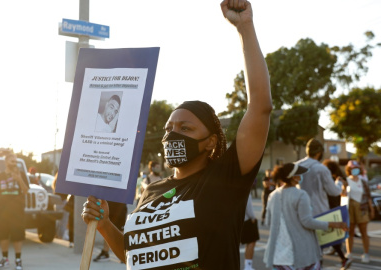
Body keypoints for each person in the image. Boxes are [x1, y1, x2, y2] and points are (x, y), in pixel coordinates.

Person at [81, 1, 273, 268]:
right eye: (169, 129)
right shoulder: (151, 190)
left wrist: (245, 28)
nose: (173, 135)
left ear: (211, 142)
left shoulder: (224, 179)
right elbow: (133, 256)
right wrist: (104, 225)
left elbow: (260, 107)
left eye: (186, 129)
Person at [263, 163, 348, 269]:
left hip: (279, 252)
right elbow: (307, 222)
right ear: (294, 178)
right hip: (300, 250)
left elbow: (268, 221)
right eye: (299, 174)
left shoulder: (273, 195)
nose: (301, 177)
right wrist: (334, 224)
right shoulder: (300, 195)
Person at [0, 153, 29, 270]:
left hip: (16, 210)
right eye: (11, 161)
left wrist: (18, 179)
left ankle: (18, 260)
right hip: (2, 211)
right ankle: (5, 259)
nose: (14, 163)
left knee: (17, 236)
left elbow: (26, 191)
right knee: (3, 236)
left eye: (15, 161)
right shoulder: (0, 176)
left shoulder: (21, 174)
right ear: (6, 162)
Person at [297, 138, 344, 216]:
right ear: (319, 153)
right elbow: (334, 191)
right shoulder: (321, 169)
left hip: (300, 212)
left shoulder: (296, 166)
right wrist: (339, 183)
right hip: (319, 211)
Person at [321, 159, 352, 268]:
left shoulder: (331, 180)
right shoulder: (339, 179)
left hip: (329, 208)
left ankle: (342, 258)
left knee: (324, 235)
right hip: (336, 209)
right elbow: (343, 192)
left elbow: (334, 191)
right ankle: (342, 257)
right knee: (331, 235)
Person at [344, 160, 375, 263]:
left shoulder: (363, 182)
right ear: (349, 170)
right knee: (350, 232)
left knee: (363, 232)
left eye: (356, 168)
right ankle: (349, 252)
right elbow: (342, 195)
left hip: (362, 208)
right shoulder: (346, 181)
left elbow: (369, 197)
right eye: (352, 169)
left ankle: (366, 253)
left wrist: (371, 209)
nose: (355, 170)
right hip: (350, 209)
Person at [241, 194, 259, 270]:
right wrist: (253, 217)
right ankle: (248, 266)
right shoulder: (245, 190)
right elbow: (248, 208)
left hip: (234, 221)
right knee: (251, 242)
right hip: (246, 220)